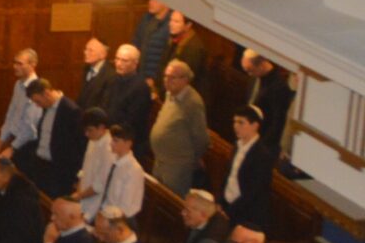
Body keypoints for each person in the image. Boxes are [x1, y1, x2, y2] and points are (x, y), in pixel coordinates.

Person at [149, 60, 210, 193]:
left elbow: (201, 138)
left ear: (185, 80)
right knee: (155, 197)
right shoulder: (170, 94)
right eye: (166, 76)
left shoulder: (193, 102)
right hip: (160, 160)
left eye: (172, 77)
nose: (167, 80)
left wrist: (191, 160)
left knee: (168, 202)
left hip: (177, 166)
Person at [19, 80, 84, 199]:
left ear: (47, 93)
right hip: (41, 166)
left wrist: (75, 176)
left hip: (57, 172)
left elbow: (78, 146)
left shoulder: (71, 110)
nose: (37, 105)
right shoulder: (46, 108)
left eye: (38, 101)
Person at [224, 105, 277, 232]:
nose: (235, 126)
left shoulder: (262, 155)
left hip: (247, 215)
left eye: (241, 122)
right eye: (234, 122)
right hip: (231, 208)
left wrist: (230, 209)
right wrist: (222, 201)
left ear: (255, 125)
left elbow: (253, 191)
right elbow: (229, 175)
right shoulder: (237, 146)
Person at [79, 125, 145, 225]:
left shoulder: (133, 170)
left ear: (128, 143)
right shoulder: (113, 161)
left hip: (119, 222)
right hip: (104, 214)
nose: (111, 143)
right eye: (111, 140)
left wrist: (107, 222)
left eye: (115, 140)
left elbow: (125, 207)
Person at [0, 50, 43, 166]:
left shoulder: (36, 88)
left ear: (32, 65)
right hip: (15, 141)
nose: (15, 67)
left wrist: (13, 148)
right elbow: (11, 114)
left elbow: (30, 128)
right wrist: (1, 140)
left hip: (27, 145)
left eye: (20, 64)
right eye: (15, 63)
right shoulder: (18, 85)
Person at [97, 44, 150, 134]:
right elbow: (104, 105)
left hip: (126, 136)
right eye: (117, 59)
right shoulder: (112, 79)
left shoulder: (140, 87)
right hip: (108, 130)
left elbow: (133, 120)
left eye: (124, 61)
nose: (119, 63)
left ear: (135, 63)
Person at [133, 0, 173, 86]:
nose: (150, 2)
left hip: (158, 79)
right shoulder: (146, 19)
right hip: (140, 75)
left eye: (155, 0)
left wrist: (156, 79)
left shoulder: (171, 23)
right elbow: (136, 45)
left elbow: (167, 56)